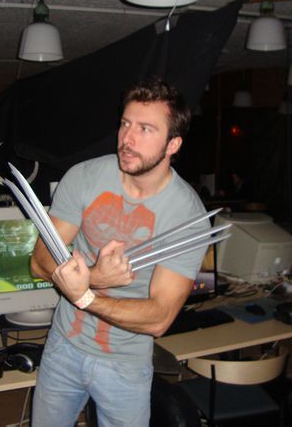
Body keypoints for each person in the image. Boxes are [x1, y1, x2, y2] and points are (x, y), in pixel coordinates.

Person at [30, 77, 209, 427]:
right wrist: (96, 277)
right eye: (126, 123)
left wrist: (84, 295)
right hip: (63, 347)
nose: (127, 138)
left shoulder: (187, 216)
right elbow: (39, 261)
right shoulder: (84, 177)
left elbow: (159, 318)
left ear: (173, 144)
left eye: (145, 129)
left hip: (125, 363)